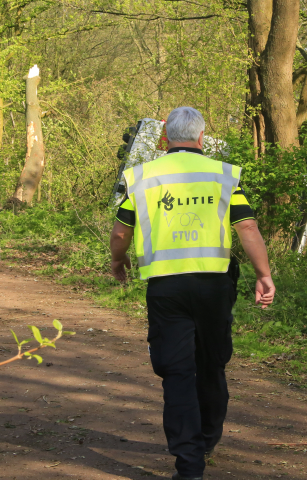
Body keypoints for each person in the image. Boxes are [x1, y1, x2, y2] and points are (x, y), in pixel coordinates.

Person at [109, 106, 275, 480]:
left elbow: (121, 233)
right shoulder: (223, 175)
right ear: (202, 138)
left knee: (178, 372)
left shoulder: (141, 176)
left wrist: (118, 264)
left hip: (166, 288)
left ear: (165, 137)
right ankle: (208, 438)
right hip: (214, 286)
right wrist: (264, 275)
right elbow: (247, 228)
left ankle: (189, 465)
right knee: (212, 364)